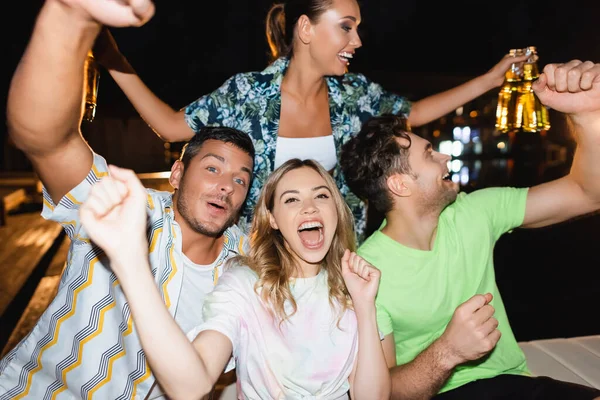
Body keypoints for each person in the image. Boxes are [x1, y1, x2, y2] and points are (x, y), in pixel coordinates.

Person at [93, 0, 528, 241]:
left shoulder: (354, 94)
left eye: (356, 29)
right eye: (346, 27)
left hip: (335, 265)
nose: (357, 40)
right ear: (305, 29)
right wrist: (112, 58)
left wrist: (490, 79)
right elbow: (171, 126)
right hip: (257, 263)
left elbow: (411, 113)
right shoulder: (248, 93)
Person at [0, 1, 254, 399]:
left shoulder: (249, 259)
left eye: (241, 179)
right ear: (176, 174)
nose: (228, 185)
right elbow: (47, 141)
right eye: (212, 168)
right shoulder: (127, 209)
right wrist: (69, 17)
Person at [339, 59, 600, 399]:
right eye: (430, 154)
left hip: (512, 383)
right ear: (400, 184)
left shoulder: (474, 212)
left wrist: (587, 116)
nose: (445, 158)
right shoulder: (367, 272)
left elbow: (586, 193)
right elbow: (385, 392)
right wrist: (449, 350)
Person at [78, 157, 390, 399]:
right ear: (273, 219)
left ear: (335, 210)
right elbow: (193, 384)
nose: (309, 207)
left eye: (321, 196)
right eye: (292, 199)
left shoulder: (353, 288)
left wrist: (364, 307)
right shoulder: (244, 285)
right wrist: (131, 262)